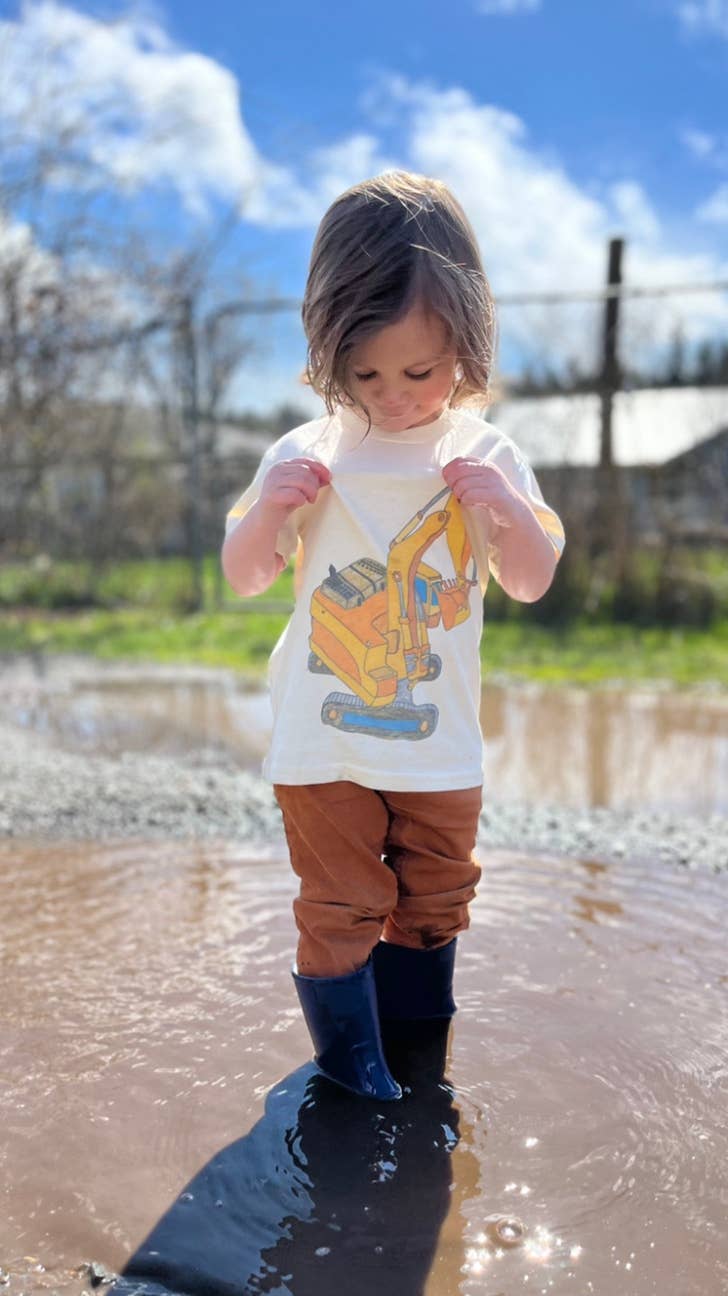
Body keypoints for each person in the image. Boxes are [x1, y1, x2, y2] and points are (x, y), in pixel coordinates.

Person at [221, 170, 564, 1103]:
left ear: (468, 343)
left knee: (437, 896)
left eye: (421, 373)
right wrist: (268, 515)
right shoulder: (308, 452)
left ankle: (417, 1038)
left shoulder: (486, 454)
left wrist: (509, 514)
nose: (396, 397)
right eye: (366, 375)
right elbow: (246, 575)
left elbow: (530, 581)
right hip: (323, 741)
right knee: (339, 901)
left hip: (440, 741)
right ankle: (351, 1063)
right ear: (327, 349)